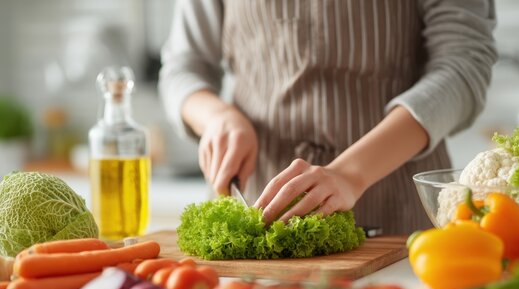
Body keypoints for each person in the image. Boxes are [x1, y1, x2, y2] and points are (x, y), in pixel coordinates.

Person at [159, 0, 497, 235]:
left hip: (397, 218)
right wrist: (217, 117)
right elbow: (183, 68)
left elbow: (463, 65)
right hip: (253, 209)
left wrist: (350, 173)